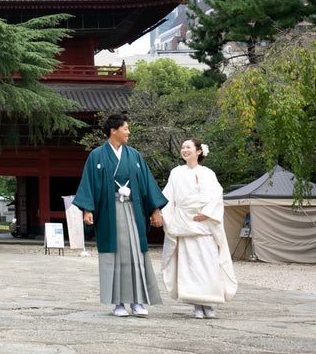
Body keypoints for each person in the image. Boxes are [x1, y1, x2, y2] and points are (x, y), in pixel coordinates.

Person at [73, 114, 167, 318]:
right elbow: (89, 183)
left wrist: (155, 209)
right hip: (110, 211)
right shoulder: (97, 156)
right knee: (114, 257)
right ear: (113, 130)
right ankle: (118, 303)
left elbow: (147, 183)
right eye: (126, 128)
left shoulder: (134, 156)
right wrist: (88, 209)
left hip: (133, 209)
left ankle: (138, 301)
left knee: (136, 255)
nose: (129, 132)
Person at [161, 138, 238, 319]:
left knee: (209, 264)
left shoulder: (208, 173)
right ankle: (196, 304)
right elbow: (168, 196)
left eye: (188, 147)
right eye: (182, 148)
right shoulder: (176, 172)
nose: (184, 150)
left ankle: (209, 303)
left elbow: (216, 196)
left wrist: (208, 214)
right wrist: (163, 215)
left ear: (198, 152)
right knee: (190, 266)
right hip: (184, 222)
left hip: (204, 224)